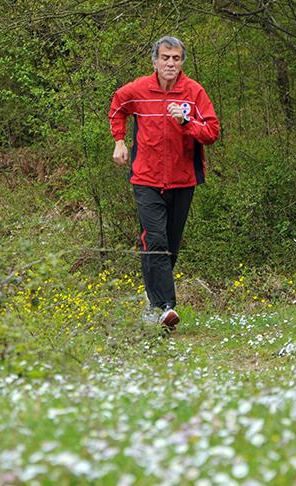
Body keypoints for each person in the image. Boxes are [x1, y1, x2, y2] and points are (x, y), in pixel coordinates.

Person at [108, 35, 220, 332]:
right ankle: (167, 307)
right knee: (154, 240)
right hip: (146, 177)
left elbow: (212, 131)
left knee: (169, 244)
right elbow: (118, 106)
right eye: (166, 58)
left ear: (182, 61)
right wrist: (119, 141)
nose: (171, 63)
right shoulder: (139, 89)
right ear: (155, 61)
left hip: (183, 179)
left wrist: (187, 123)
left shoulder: (193, 92)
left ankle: (151, 302)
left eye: (177, 58)